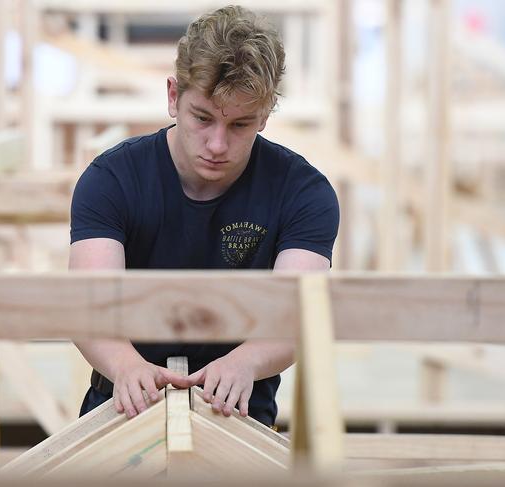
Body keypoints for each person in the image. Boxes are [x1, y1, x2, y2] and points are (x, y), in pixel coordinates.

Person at [69, 5, 339, 427]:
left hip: (236, 413)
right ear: (174, 96)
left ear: (266, 114)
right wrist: (124, 364)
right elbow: (87, 307)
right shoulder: (112, 179)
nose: (217, 144)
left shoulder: (303, 192)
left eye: (240, 125)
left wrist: (246, 363)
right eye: (203, 118)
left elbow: (297, 314)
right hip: (120, 407)